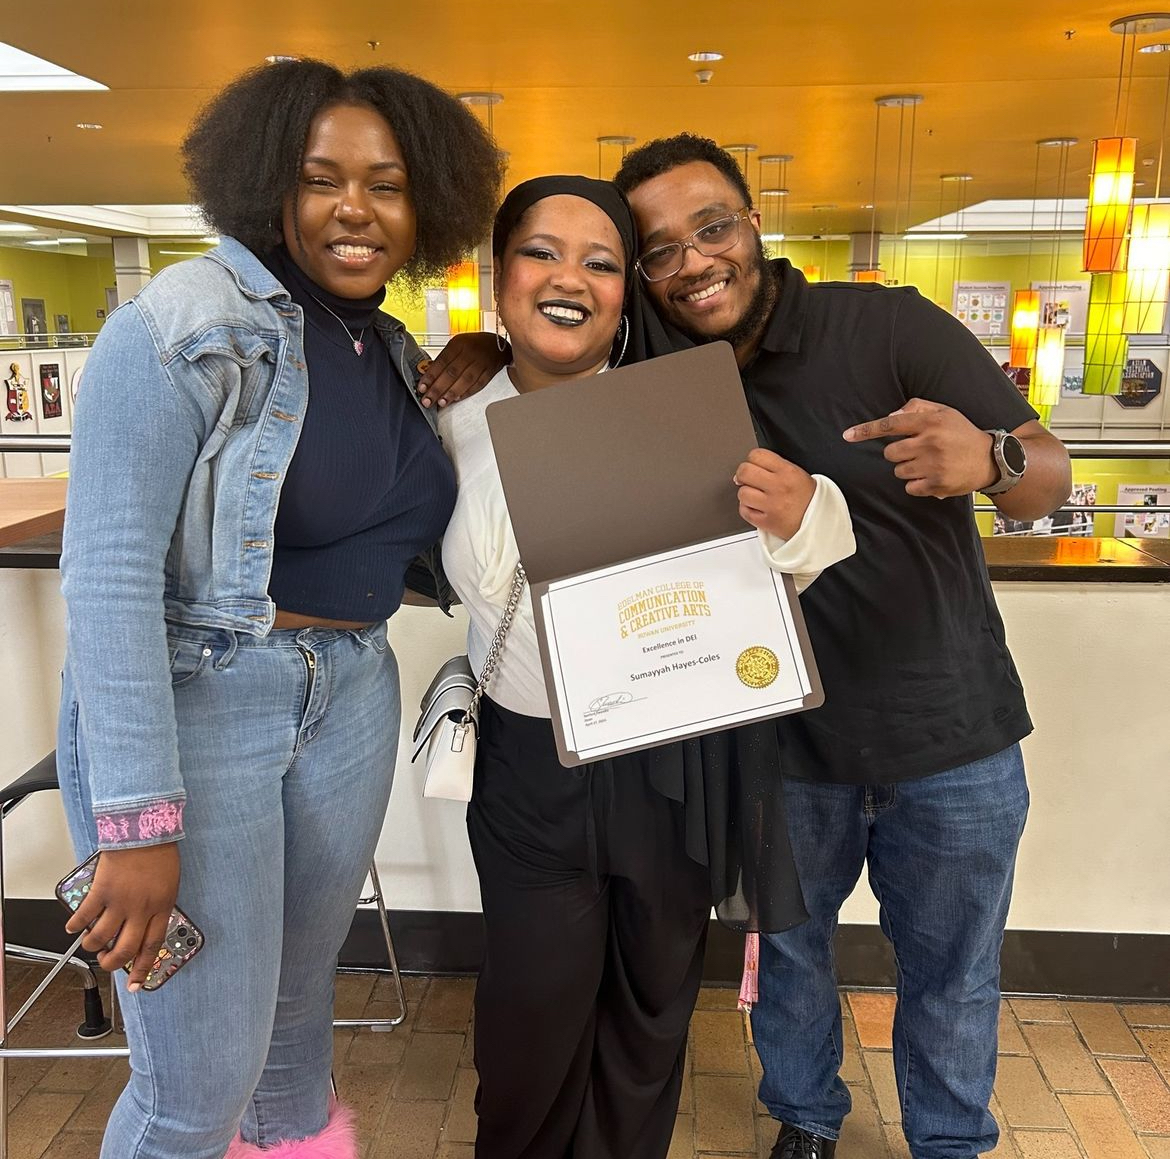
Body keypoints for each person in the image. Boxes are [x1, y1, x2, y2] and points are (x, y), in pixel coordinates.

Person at [56, 59, 501, 1159]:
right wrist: (140, 825)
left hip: (350, 691)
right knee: (193, 1085)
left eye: (388, 183)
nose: (356, 208)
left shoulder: (383, 346)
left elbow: (406, 528)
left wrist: (491, 366)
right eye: (321, 179)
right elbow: (107, 580)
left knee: (298, 1028)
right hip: (206, 706)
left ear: (426, 205)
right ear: (268, 185)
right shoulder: (181, 325)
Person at [609, 135, 1072, 1159]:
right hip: (780, 743)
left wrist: (988, 459)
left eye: (712, 226)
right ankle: (806, 1122)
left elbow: (1048, 473)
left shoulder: (888, 323)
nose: (692, 261)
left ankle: (951, 1140)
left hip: (951, 736)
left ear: (753, 222)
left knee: (954, 967)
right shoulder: (654, 375)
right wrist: (472, 357)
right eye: (659, 249)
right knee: (789, 954)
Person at [439, 175, 856, 1159]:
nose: (569, 278)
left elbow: (801, 550)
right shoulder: (449, 417)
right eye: (541, 251)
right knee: (529, 1025)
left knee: (647, 1018)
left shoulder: (675, 409)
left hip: (673, 766)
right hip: (530, 768)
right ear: (497, 275)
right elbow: (446, 560)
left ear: (628, 289)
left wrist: (799, 512)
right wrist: (490, 376)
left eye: (601, 261)